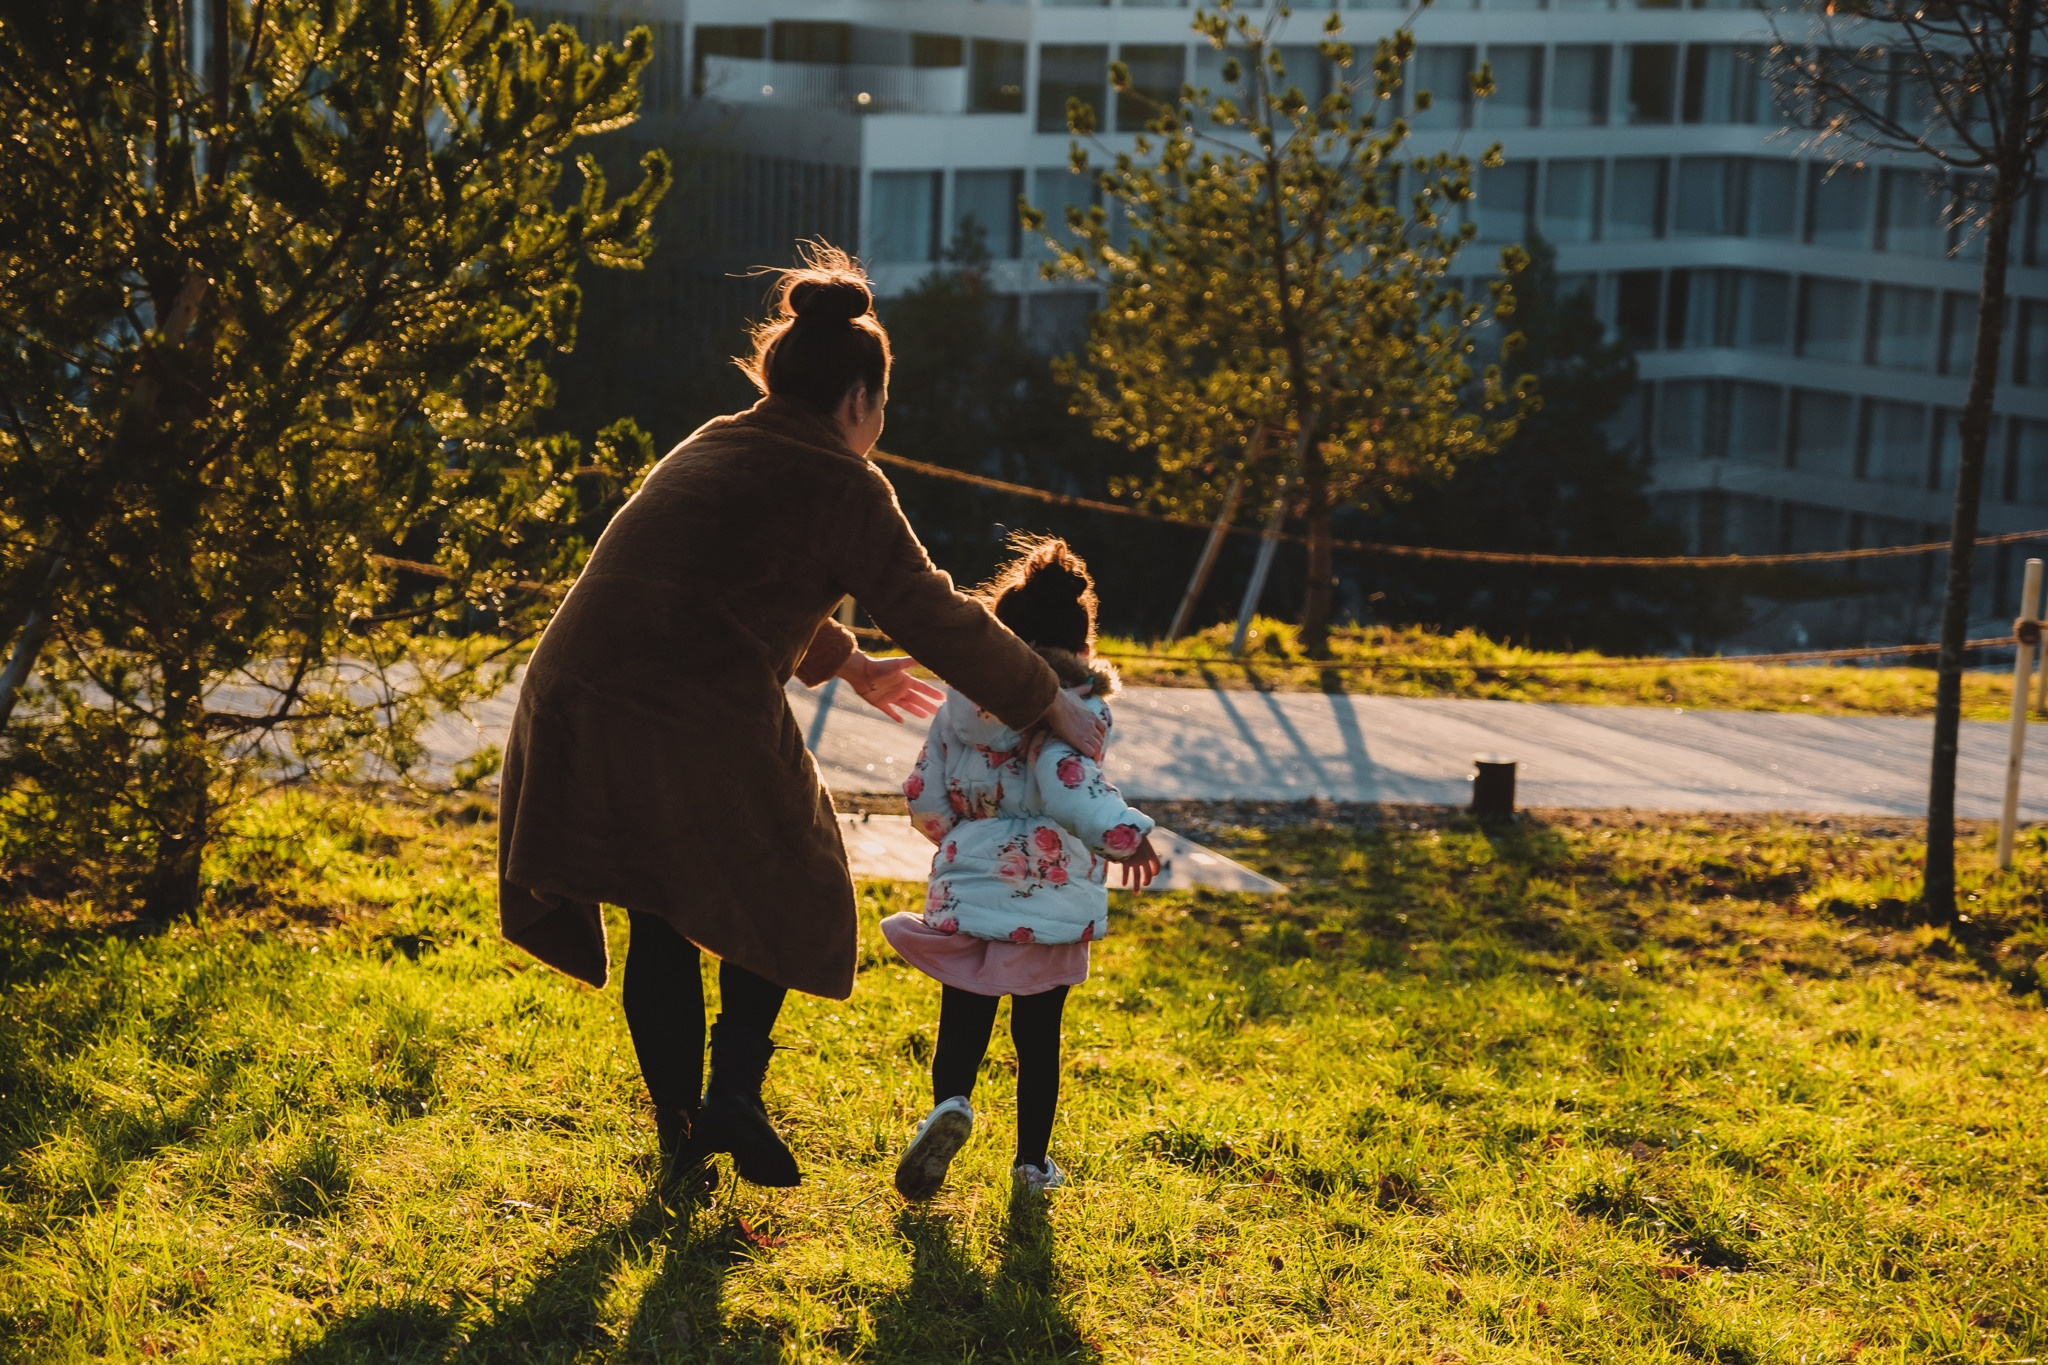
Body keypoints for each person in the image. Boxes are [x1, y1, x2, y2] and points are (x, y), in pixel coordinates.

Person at [494, 247, 1109, 1194]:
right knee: (800, 869)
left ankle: (685, 1138)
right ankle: (734, 1089)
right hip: (682, 701)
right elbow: (932, 606)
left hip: (575, 689)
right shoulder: (844, 480)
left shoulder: (716, 438)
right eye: (880, 408)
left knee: (658, 909)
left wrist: (847, 661)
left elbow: (721, 576)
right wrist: (1050, 695)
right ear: (861, 400)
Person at [881, 536, 1160, 1200]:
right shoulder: (1075, 709)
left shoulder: (959, 706)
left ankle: (951, 1103)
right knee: (1038, 1035)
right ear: (1080, 645)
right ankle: (1031, 1166)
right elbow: (1069, 786)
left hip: (970, 881)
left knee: (964, 1014)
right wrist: (1128, 835)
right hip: (1047, 895)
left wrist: (957, 841)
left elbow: (923, 789)